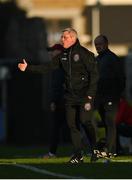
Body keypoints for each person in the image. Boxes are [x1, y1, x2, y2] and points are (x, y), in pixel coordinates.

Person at [18, 27, 99, 164]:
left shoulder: (85, 54)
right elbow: (47, 67)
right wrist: (28, 68)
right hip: (70, 97)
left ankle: (95, 150)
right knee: (72, 125)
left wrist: (90, 94)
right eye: (62, 37)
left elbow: (95, 75)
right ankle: (78, 155)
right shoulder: (62, 56)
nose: (62, 40)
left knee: (85, 122)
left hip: (85, 96)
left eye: (65, 37)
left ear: (73, 38)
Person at [94, 35, 125, 158]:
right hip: (100, 99)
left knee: (110, 123)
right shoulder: (97, 59)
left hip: (111, 98)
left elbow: (121, 79)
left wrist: (115, 95)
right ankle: (115, 149)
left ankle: (111, 150)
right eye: (96, 44)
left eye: (99, 44)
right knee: (107, 124)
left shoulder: (112, 58)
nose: (97, 46)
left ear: (106, 44)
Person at [43, 43, 69, 158]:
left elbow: (57, 85)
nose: (50, 53)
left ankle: (52, 153)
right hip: (67, 101)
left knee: (57, 129)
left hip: (61, 103)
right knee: (71, 127)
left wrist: (54, 101)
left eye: (52, 51)